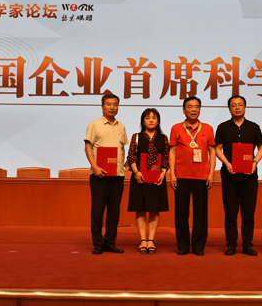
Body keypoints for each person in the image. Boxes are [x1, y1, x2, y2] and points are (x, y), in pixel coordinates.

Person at [215, 96, 262, 256]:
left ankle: (248, 245)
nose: (237, 108)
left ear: (245, 107)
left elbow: (261, 147)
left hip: (249, 177)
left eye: (240, 105)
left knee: (248, 214)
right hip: (229, 176)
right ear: (229, 108)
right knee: (230, 214)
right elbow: (217, 148)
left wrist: (255, 162)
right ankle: (231, 245)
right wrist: (226, 163)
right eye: (234, 105)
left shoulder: (254, 127)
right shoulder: (223, 127)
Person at [169, 96, 216, 256]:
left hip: (202, 176)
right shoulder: (176, 128)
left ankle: (198, 246)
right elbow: (172, 151)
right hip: (181, 176)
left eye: (196, 107)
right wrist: (172, 174)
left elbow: (212, 151)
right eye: (190, 107)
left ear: (200, 109)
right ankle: (182, 245)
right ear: (184, 110)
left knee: (200, 213)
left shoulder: (208, 128)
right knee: (181, 213)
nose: (193, 109)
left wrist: (211, 172)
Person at [84, 94, 128, 254]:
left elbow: (122, 148)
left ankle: (110, 242)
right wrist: (94, 167)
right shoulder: (94, 125)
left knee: (114, 211)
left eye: (115, 104)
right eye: (109, 104)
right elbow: (88, 147)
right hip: (99, 175)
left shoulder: (121, 126)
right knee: (98, 210)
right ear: (102, 107)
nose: (112, 107)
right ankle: (97, 243)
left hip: (117, 175)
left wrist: (122, 166)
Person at [126, 108, 169, 254]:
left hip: (157, 178)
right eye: (147, 118)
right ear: (143, 121)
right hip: (139, 178)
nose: (151, 120)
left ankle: (151, 240)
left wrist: (163, 172)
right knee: (141, 208)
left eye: (154, 118)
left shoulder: (163, 138)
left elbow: (166, 157)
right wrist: (136, 172)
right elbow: (131, 156)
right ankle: (142, 239)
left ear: (158, 121)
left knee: (154, 209)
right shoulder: (136, 137)